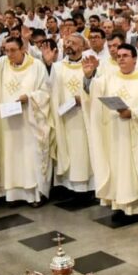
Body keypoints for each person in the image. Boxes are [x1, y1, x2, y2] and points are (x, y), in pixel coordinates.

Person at [0, 36, 52, 206]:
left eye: (13, 50)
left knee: (30, 157)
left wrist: (30, 97)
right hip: (8, 122)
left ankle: (34, 194)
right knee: (11, 157)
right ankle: (13, 194)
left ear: (23, 49)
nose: (9, 54)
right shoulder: (1, 64)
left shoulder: (37, 66)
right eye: (6, 50)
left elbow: (46, 91)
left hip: (29, 121)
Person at [87, 44, 138, 223]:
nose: (121, 59)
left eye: (125, 55)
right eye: (118, 56)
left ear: (135, 59)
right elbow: (93, 89)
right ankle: (119, 206)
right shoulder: (109, 79)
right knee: (118, 171)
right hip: (116, 135)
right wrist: (89, 75)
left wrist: (133, 113)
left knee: (137, 171)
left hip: (136, 135)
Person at [49, 34, 93, 194]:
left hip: (85, 116)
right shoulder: (57, 67)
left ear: (82, 47)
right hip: (65, 118)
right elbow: (52, 91)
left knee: (85, 151)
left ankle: (89, 187)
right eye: (67, 42)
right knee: (68, 149)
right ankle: (68, 185)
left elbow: (98, 87)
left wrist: (86, 98)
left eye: (73, 43)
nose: (68, 45)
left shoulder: (90, 64)